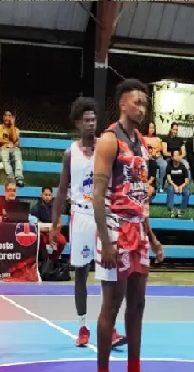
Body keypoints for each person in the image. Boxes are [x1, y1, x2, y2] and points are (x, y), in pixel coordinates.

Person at [91, 79, 165, 372]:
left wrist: (151, 236)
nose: (142, 108)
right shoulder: (109, 140)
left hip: (137, 231)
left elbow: (140, 197)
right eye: (137, 102)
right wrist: (106, 240)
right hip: (115, 229)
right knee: (112, 305)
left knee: (138, 305)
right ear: (122, 104)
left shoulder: (143, 144)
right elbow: (97, 195)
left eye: (145, 104)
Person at [49, 96, 126, 349]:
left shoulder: (106, 147)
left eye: (94, 120)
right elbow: (62, 190)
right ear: (78, 123)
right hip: (80, 216)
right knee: (81, 273)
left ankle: (109, 327)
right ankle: (82, 326)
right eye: (86, 120)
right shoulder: (70, 153)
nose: (91, 124)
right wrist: (55, 223)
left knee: (107, 274)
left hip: (102, 215)